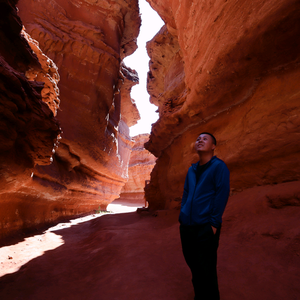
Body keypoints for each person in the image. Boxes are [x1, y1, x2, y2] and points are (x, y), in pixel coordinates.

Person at [179, 132, 230, 300]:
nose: (200, 140)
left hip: (206, 226)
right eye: (198, 139)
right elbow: (186, 193)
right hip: (187, 225)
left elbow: (222, 194)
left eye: (205, 139)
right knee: (194, 265)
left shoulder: (219, 167)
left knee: (206, 268)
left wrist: (214, 224)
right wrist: (183, 213)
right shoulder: (191, 170)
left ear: (213, 146)